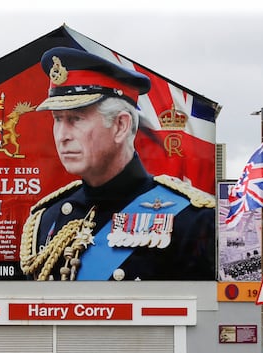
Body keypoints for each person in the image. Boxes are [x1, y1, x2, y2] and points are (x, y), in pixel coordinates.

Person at [19, 47, 216, 281]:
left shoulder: (191, 220)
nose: (62, 135)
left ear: (121, 126)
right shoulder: (47, 219)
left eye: (76, 119)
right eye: (58, 120)